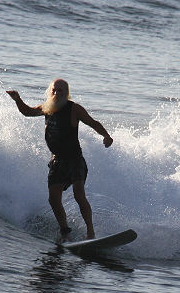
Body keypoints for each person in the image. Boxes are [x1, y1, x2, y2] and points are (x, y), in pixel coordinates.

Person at [6, 78, 113, 241]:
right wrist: (17, 99)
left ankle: (90, 232)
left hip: (74, 160)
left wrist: (106, 136)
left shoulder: (74, 109)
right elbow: (27, 112)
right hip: (57, 161)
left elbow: (93, 123)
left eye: (60, 90)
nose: (56, 93)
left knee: (79, 195)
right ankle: (65, 232)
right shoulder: (47, 107)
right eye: (54, 90)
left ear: (66, 93)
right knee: (54, 199)